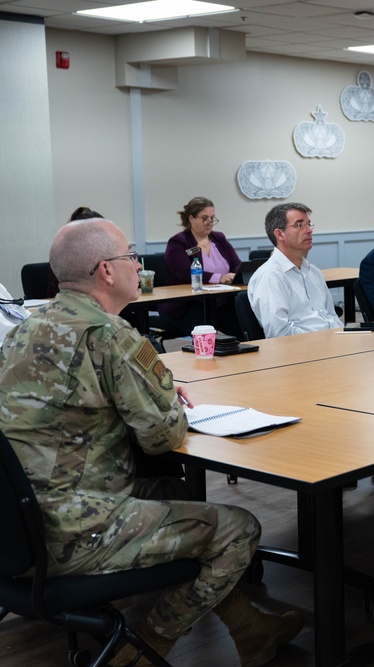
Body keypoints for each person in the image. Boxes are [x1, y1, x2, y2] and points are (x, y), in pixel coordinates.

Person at [0, 219, 302, 667]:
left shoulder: (23, 327)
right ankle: (142, 649)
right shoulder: (110, 336)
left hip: (17, 525)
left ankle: (251, 629)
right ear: (106, 270)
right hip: (76, 530)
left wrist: (147, 390)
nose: (139, 266)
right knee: (239, 528)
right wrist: (161, 393)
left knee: (177, 495)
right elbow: (163, 437)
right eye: (130, 257)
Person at [248, 202, 343, 337]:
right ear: (280, 234)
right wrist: (323, 341)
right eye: (299, 225)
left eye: (308, 224)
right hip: (304, 352)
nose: (309, 230)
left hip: (333, 343)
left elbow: (332, 317)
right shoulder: (270, 276)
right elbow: (280, 333)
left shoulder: (313, 271)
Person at [161, 196, 242, 336]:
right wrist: (219, 278)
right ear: (191, 218)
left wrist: (235, 275)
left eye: (212, 218)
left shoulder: (219, 238)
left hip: (223, 302)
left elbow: (237, 264)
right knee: (209, 335)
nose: (209, 222)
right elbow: (184, 273)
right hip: (190, 305)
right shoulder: (179, 242)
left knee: (244, 325)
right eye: (205, 218)